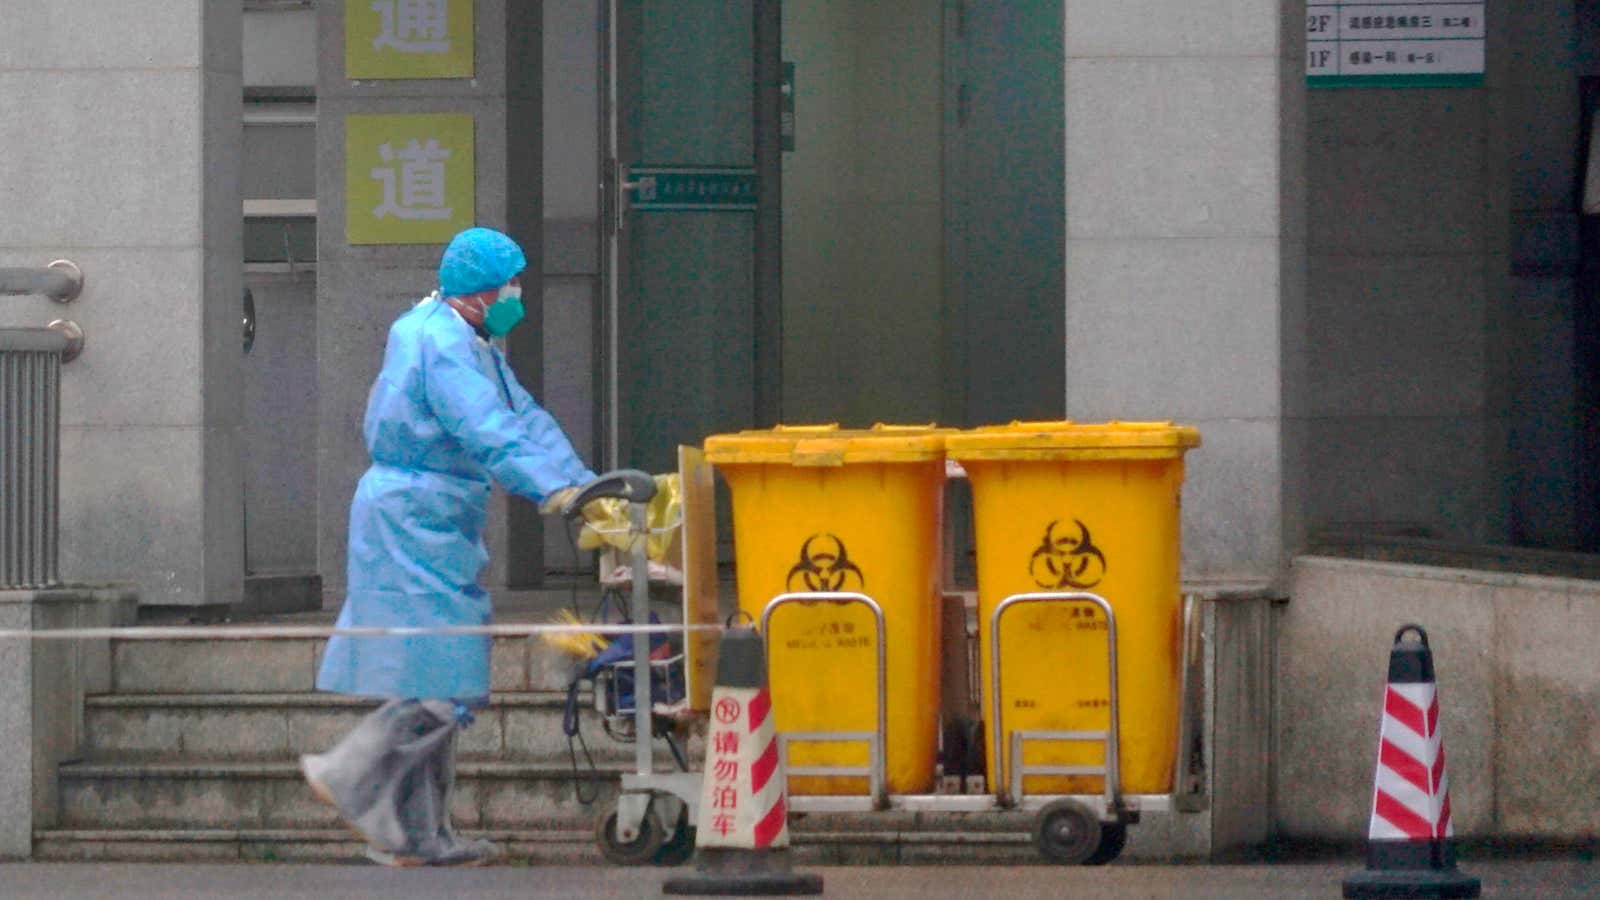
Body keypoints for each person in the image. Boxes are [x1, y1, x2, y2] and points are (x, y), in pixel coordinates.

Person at [301, 227, 595, 866]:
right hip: (413, 516)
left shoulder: (466, 337)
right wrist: (554, 491)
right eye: (510, 282)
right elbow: (490, 431)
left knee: (436, 673)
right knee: (441, 675)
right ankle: (348, 772)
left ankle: (415, 836)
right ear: (485, 288)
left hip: (432, 512)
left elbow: (525, 418)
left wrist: (580, 484)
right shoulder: (441, 343)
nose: (517, 292)